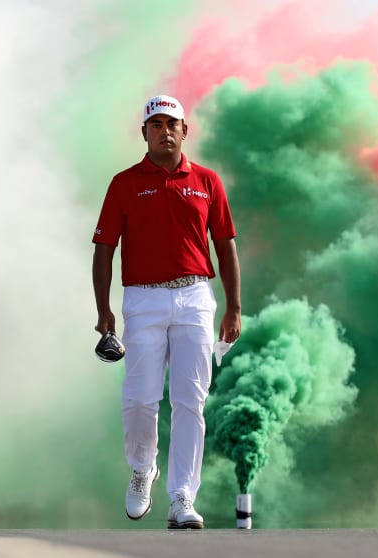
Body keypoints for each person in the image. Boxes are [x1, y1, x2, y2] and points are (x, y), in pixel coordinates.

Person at [91, 95, 241, 530]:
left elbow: (225, 245)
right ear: (144, 133)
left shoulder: (207, 181)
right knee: (140, 397)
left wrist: (234, 307)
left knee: (190, 400)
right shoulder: (124, 183)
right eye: (155, 125)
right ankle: (143, 469)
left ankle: (182, 497)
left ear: (184, 130)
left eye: (171, 123)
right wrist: (104, 311)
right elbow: (104, 249)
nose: (164, 131)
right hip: (142, 299)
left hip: (195, 296)